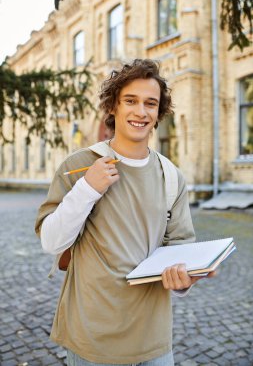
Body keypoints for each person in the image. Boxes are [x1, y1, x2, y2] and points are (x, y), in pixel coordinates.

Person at [35, 59, 215, 366]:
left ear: (159, 113)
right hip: (92, 338)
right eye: (130, 101)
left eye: (151, 103)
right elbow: (51, 242)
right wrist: (88, 189)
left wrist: (185, 278)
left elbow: (180, 249)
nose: (141, 112)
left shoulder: (172, 176)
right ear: (113, 107)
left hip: (153, 340)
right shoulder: (78, 166)